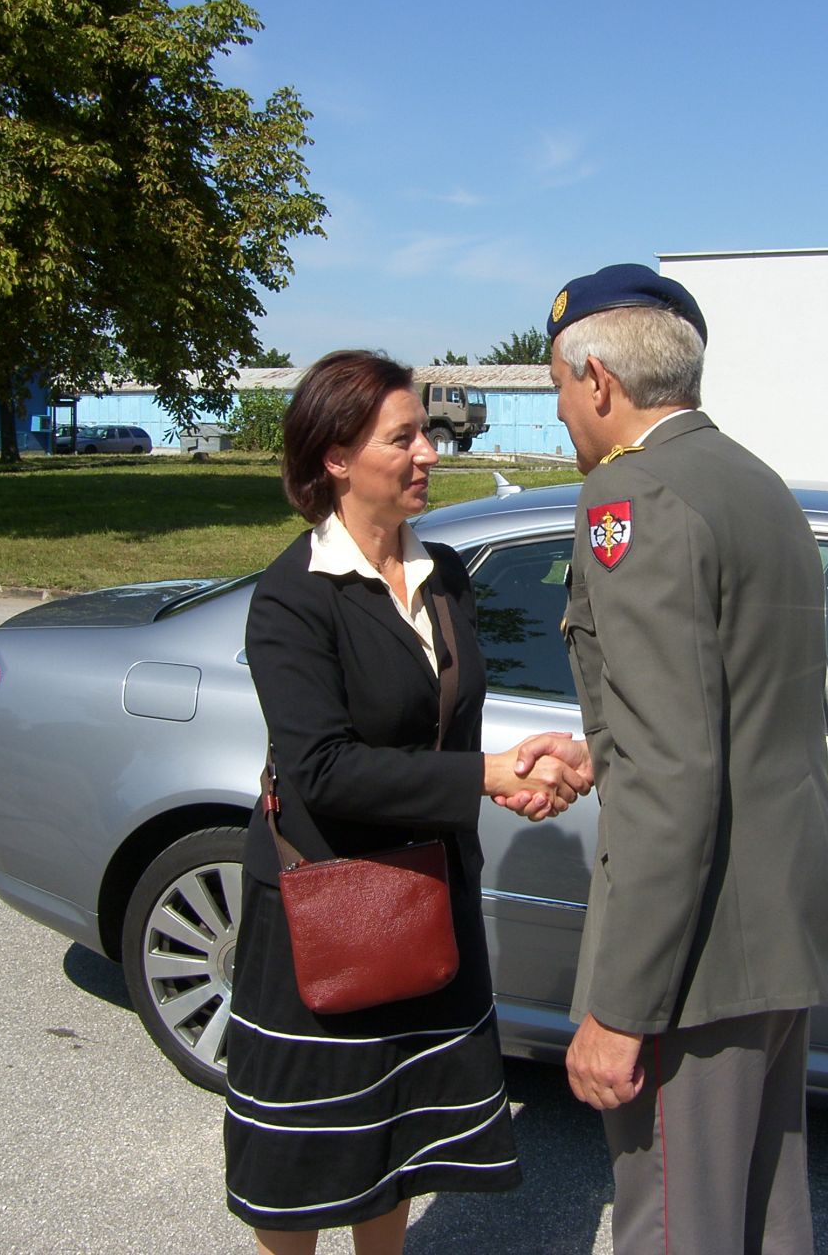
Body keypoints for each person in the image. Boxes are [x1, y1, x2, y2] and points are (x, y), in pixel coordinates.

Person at [517, 265, 828, 1254]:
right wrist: (601, 748)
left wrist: (619, 1009)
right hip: (776, 923)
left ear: (596, 381)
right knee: (763, 1217)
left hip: (694, 952)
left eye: (555, 393)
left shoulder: (629, 496)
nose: (561, 419)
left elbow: (673, 774)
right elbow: (733, 708)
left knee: (677, 1226)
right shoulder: (754, 480)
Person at [228, 350, 589, 1255]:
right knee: (306, 1162)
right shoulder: (291, 599)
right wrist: (484, 776)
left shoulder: (449, 576)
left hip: (428, 894)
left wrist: (518, 777)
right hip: (329, 905)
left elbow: (445, 732)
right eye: (404, 437)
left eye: (425, 430)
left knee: (395, 1143)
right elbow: (324, 771)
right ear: (336, 460)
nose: (430, 450)